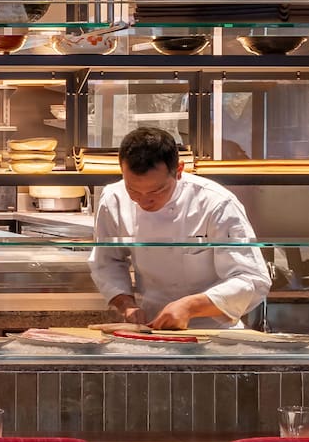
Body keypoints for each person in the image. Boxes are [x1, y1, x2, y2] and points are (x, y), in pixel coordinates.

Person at [88, 126, 272, 330]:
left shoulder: (216, 203)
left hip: (213, 329)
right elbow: (107, 262)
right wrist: (127, 305)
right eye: (133, 190)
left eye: (157, 190)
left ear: (179, 171)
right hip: (150, 326)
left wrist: (190, 307)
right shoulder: (113, 198)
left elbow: (252, 280)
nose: (144, 200)